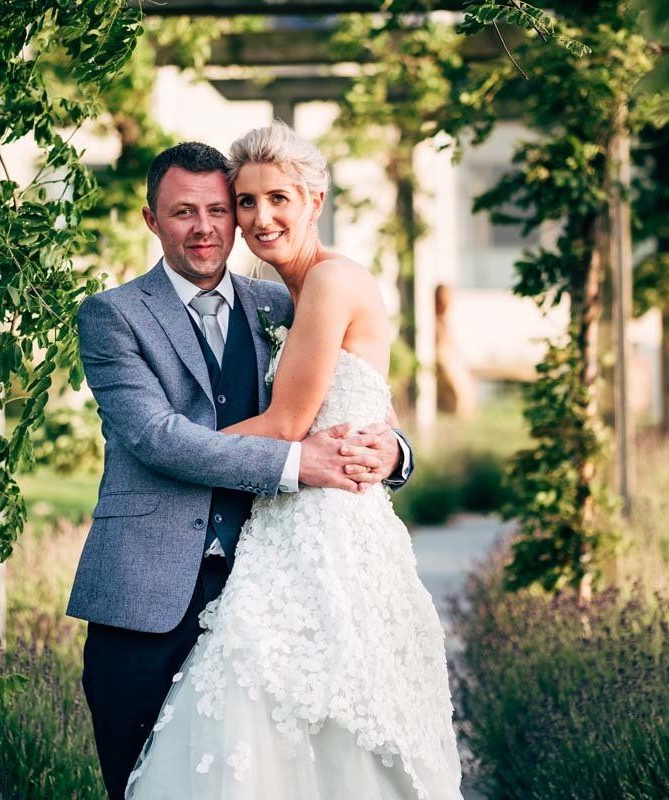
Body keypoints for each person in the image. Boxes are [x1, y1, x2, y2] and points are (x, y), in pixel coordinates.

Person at [123, 124, 463, 799]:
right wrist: (389, 443)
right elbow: (374, 411)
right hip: (283, 529)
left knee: (311, 719)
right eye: (244, 202)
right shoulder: (280, 297)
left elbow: (287, 424)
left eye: (277, 197)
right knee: (271, 720)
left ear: (315, 199)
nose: (259, 217)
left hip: (326, 537)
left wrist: (162, 449)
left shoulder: (332, 281)